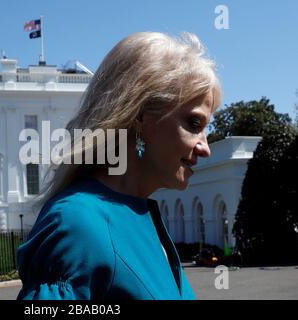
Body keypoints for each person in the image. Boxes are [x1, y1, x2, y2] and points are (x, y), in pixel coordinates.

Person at [17, 31, 222, 300]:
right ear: (140, 116)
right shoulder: (77, 224)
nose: (205, 148)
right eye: (194, 124)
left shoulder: (142, 215)